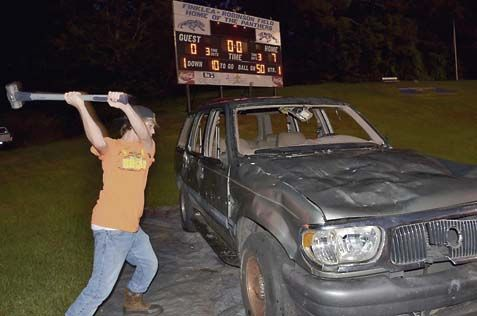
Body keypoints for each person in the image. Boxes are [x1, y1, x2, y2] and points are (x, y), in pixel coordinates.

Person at [64, 91, 162, 316]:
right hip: (111, 228)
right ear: (134, 124)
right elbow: (96, 138)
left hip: (132, 227)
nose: (154, 130)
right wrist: (81, 105)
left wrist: (126, 106)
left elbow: (146, 137)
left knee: (149, 264)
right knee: (99, 290)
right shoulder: (111, 147)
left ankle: (133, 299)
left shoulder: (147, 149)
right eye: (151, 125)